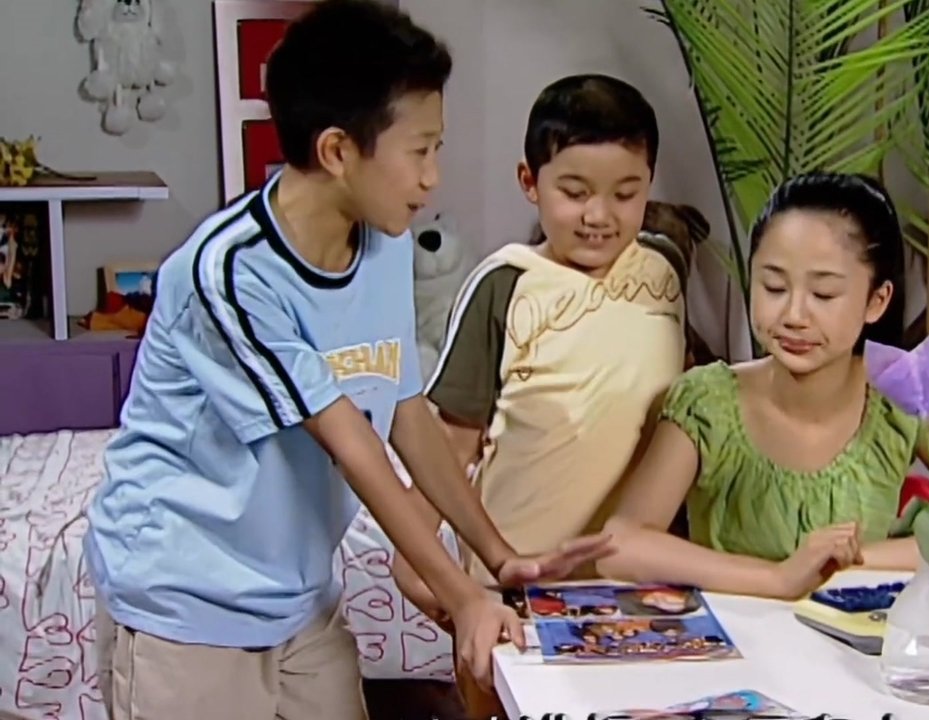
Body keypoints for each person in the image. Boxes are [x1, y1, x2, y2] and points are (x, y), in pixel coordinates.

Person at [83, 3, 606, 719]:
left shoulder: (384, 240)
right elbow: (351, 442)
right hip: (186, 596)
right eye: (419, 151)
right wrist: (459, 595)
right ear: (337, 151)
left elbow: (403, 410)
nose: (433, 177)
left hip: (297, 596)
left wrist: (498, 554)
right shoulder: (232, 272)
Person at [596, 171, 929, 600]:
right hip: (735, 646)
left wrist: (849, 562)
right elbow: (621, 545)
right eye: (774, 287)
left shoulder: (902, 393)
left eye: (824, 294)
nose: (794, 315)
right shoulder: (707, 402)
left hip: (858, 644)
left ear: (877, 301)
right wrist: (777, 578)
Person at [390, 73, 689, 716]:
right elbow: (450, 449)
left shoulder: (664, 270)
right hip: (517, 596)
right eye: (574, 193)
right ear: (530, 181)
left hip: (642, 596)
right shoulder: (504, 284)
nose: (599, 216)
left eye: (626, 193)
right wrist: (422, 574)